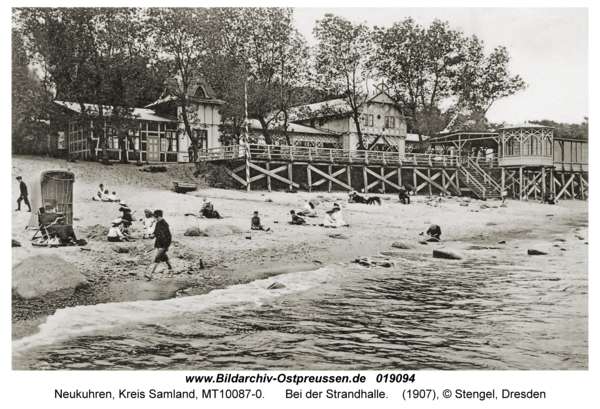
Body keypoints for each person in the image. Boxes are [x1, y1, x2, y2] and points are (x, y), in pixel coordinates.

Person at [144, 210, 173, 280]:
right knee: (164, 257)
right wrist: (151, 235)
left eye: (157, 217)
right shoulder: (157, 223)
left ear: (160, 216)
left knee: (157, 258)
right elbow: (155, 233)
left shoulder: (165, 224)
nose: (156, 218)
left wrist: (166, 245)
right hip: (159, 243)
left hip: (164, 244)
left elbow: (168, 236)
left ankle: (150, 274)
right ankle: (172, 269)